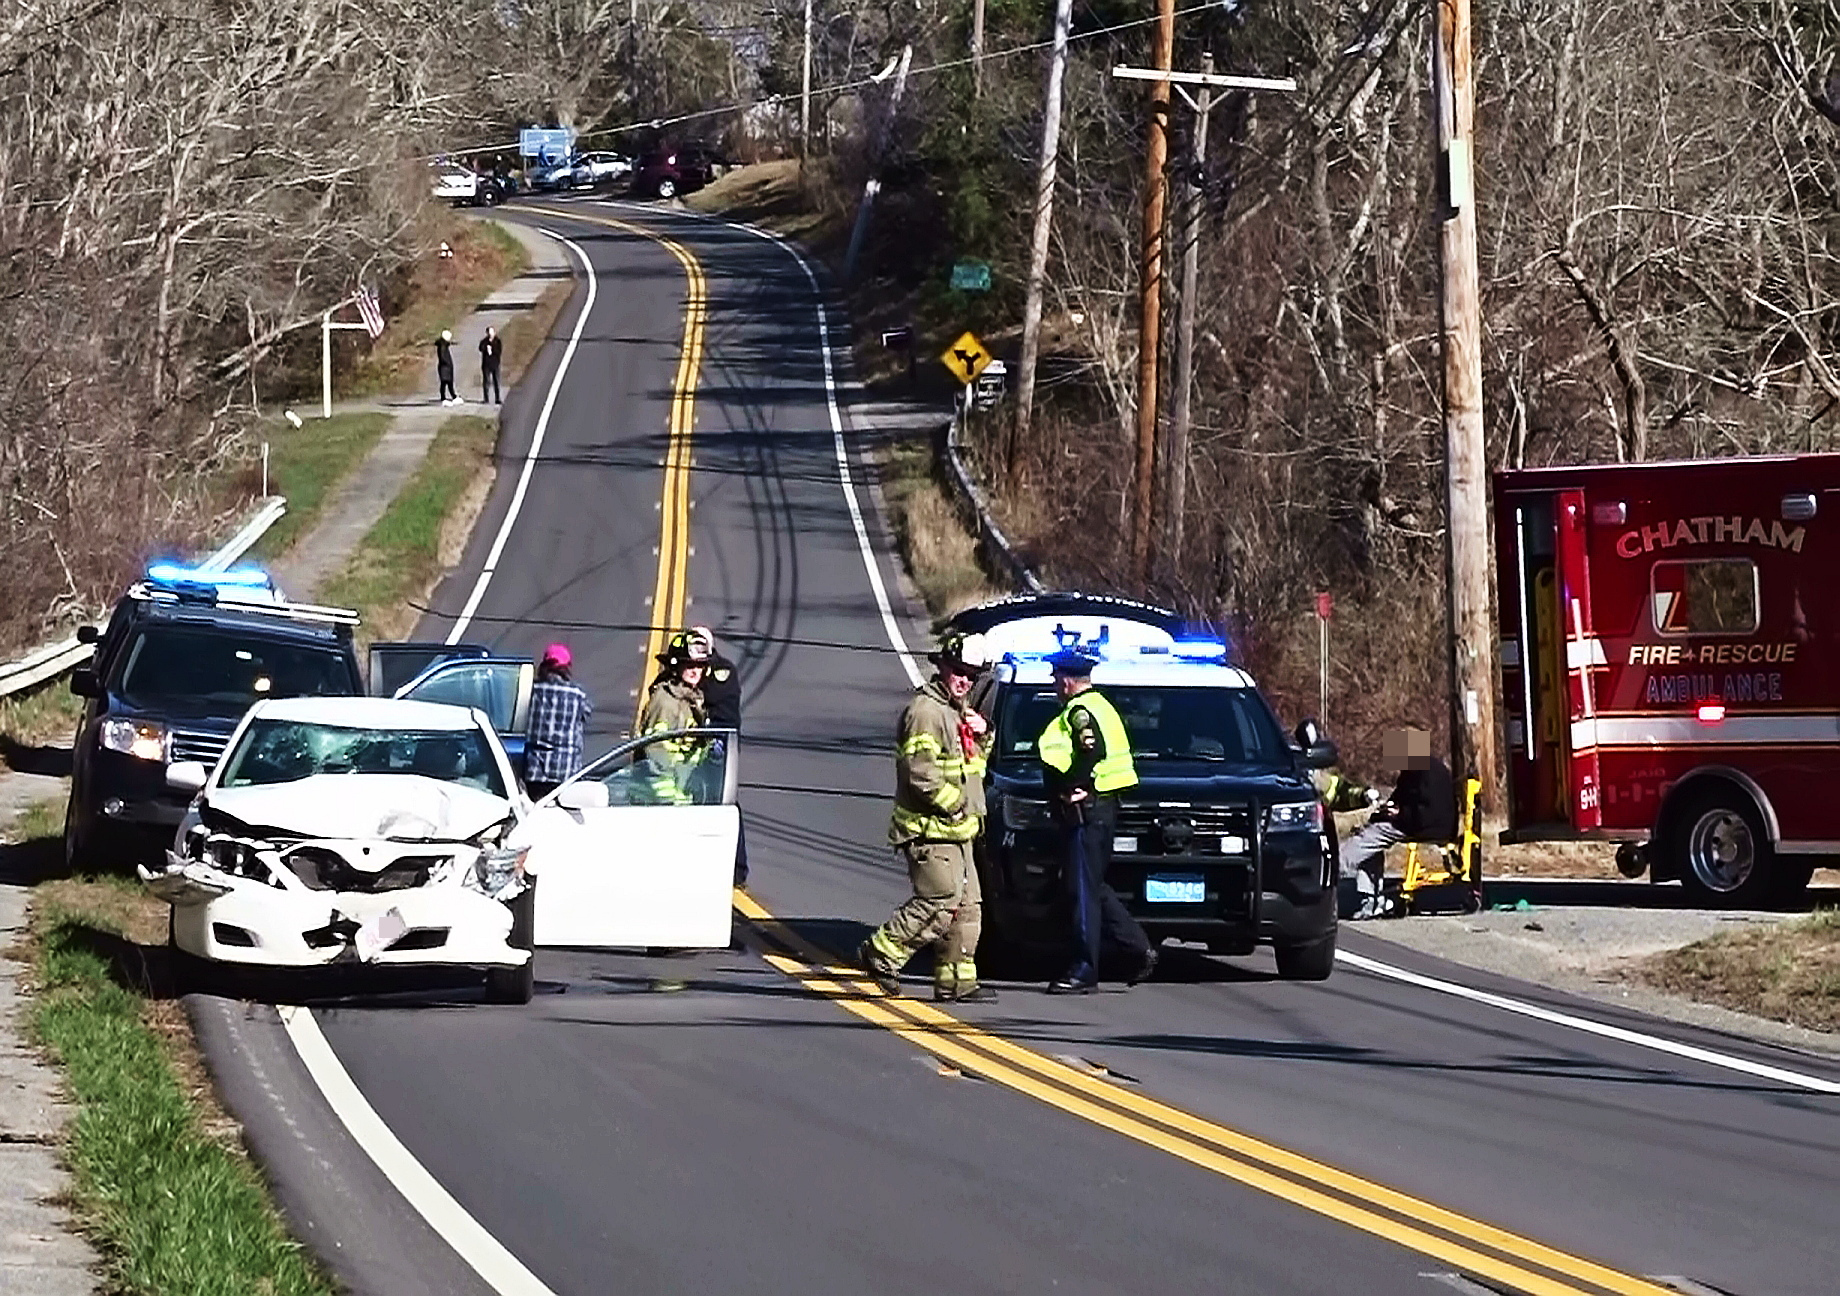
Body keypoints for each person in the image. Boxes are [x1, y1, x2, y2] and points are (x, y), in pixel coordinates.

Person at [856, 633, 997, 1004]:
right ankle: (881, 954)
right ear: (943, 668)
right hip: (931, 830)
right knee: (940, 901)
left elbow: (973, 768)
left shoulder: (957, 712)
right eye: (959, 671)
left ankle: (956, 981)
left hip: (959, 832)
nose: (965, 680)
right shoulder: (926, 712)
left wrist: (985, 735)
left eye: (972, 675)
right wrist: (956, 806)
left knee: (968, 908)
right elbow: (920, 774)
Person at [1039, 647, 1155, 995]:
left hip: (1088, 810)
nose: (1055, 685)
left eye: (1056, 679)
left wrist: (1076, 786)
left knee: (1080, 890)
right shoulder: (1102, 705)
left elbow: (1092, 749)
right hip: (1103, 807)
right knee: (1091, 885)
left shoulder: (1080, 712)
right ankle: (1138, 948)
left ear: (1067, 681)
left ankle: (1085, 969)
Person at [1338, 726, 1457, 920]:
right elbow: (1402, 797)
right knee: (1371, 833)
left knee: (1370, 836)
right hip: (1417, 821)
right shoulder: (1418, 768)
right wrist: (1386, 811)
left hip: (1426, 826)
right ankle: (1370, 898)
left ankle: (1336, 866)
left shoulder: (1428, 773)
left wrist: (1399, 814)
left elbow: (1428, 812)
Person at [681, 626, 748, 884]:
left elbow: (712, 693)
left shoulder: (723, 670)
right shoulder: (687, 667)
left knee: (725, 802)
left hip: (721, 745)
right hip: (694, 746)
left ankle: (737, 868)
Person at [636, 639, 707, 805]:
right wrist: (671, 800)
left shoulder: (690, 699)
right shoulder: (666, 702)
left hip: (679, 793)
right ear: (676, 666)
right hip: (657, 801)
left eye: (700, 665)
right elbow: (656, 753)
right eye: (690, 665)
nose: (696, 671)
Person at [524, 643, 592, 800]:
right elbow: (586, 714)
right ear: (566, 668)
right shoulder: (578, 694)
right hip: (566, 771)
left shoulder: (531, 690)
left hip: (535, 771)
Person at [479, 326, 503, 404]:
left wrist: (492, 349)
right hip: (486, 365)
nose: (490, 334)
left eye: (491, 333)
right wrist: (486, 348)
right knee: (486, 382)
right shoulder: (484, 341)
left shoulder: (497, 341)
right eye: (489, 333)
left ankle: (497, 398)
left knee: (496, 381)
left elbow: (499, 351)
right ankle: (486, 399)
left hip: (495, 364)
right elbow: (480, 348)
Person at [436, 329, 458, 405]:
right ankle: (444, 398)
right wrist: (447, 363)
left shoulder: (444, 345)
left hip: (446, 366)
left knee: (449, 382)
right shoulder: (442, 346)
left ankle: (453, 396)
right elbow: (442, 356)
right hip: (445, 367)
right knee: (445, 382)